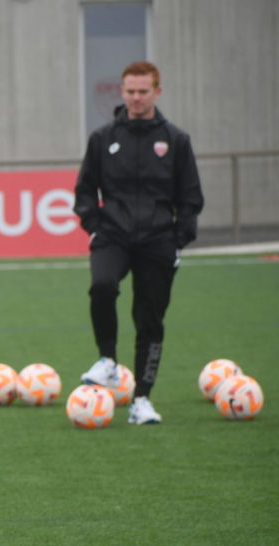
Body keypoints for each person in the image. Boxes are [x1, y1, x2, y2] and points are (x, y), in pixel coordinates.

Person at [73, 60, 203, 424]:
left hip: (158, 239)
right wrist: (94, 226)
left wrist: (179, 238)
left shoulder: (176, 140)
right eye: (130, 91)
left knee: (149, 321)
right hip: (112, 234)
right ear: (122, 91)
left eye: (143, 91)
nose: (136, 98)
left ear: (157, 92)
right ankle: (107, 361)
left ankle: (141, 400)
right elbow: (85, 190)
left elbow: (190, 196)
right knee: (102, 286)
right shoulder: (103, 138)